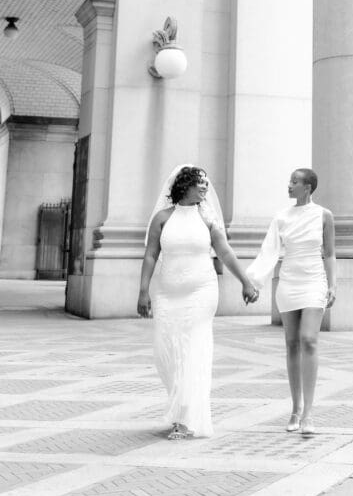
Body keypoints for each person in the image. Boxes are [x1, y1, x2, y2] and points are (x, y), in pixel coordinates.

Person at [137, 163, 258, 439]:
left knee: (193, 350)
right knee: (165, 352)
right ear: (184, 185)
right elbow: (150, 255)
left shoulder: (207, 220)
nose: (205, 187)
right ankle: (181, 406)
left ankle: (185, 417)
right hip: (167, 294)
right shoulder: (162, 218)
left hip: (201, 292)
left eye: (206, 183)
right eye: (200, 182)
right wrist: (143, 290)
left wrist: (246, 282)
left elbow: (225, 253)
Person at [247, 167, 336, 438]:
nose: (289, 185)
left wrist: (333, 284)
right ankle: (295, 407)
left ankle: (309, 412)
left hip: (314, 282)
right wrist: (254, 282)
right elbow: (269, 252)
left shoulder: (324, 215)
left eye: (294, 182)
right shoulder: (281, 217)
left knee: (309, 339)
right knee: (291, 344)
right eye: (289, 181)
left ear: (307, 187)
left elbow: (330, 253)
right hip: (288, 283)